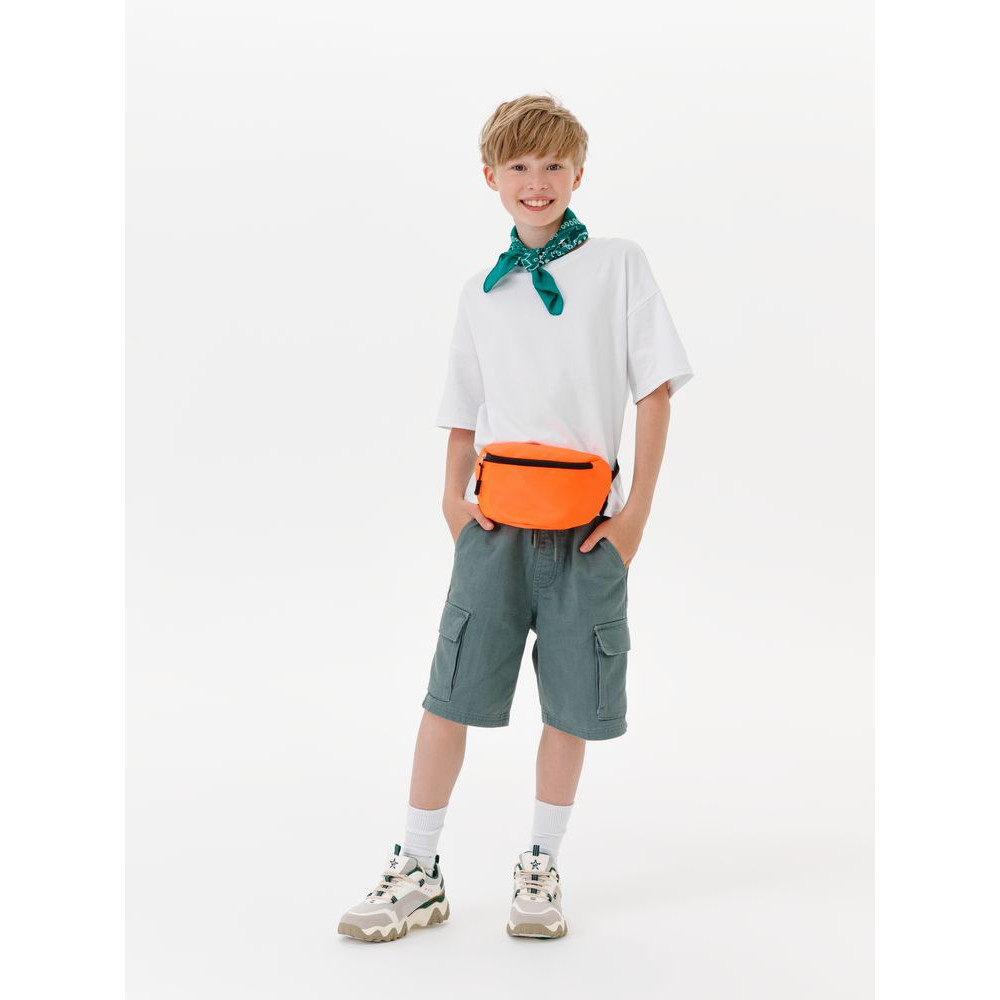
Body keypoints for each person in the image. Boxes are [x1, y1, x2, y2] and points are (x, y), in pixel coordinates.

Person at [337, 94, 694, 943]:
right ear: (491, 177)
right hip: (493, 528)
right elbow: (463, 408)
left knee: (570, 704)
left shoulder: (618, 264)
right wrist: (450, 501)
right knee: (450, 694)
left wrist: (635, 517)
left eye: (554, 166)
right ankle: (417, 869)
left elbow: (654, 393)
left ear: (579, 173)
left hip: (588, 529)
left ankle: (540, 865)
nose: (538, 183)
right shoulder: (480, 291)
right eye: (520, 167)